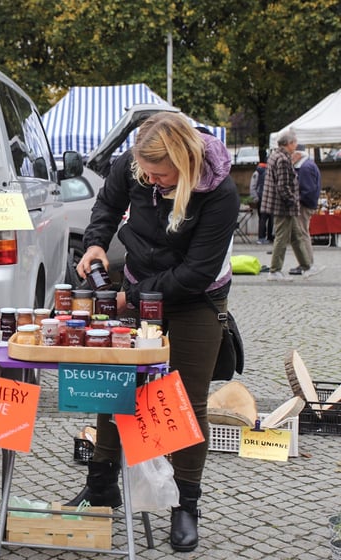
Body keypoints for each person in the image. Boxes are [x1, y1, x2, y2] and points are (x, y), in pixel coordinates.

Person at [69, 113, 238, 553]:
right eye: (144, 173)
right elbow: (107, 206)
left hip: (196, 298)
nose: (150, 180)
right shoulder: (134, 164)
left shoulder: (220, 192)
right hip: (139, 281)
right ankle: (102, 485)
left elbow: (196, 272)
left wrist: (132, 297)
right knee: (115, 385)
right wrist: (95, 242)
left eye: (159, 176)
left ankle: (185, 504)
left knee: (186, 399)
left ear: (184, 163)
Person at [261, 132, 314, 280]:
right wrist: (293, 201)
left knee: (296, 236)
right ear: (289, 144)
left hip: (281, 205)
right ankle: (275, 270)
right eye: (294, 143)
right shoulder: (283, 159)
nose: (296, 146)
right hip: (283, 206)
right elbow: (283, 186)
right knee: (282, 238)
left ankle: (307, 266)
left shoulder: (275, 156)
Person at [289, 148, 321, 275]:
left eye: (292, 154)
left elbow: (308, 190)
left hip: (304, 205)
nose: (291, 157)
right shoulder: (307, 165)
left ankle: (307, 263)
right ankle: (307, 262)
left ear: (298, 154)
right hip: (307, 203)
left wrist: (298, 200)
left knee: (302, 233)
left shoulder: (305, 168)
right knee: (303, 232)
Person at [249, 162, 273, 244]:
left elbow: (252, 186)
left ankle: (261, 237)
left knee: (262, 218)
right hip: (270, 198)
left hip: (261, 198)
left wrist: (255, 198)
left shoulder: (257, 172)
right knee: (271, 218)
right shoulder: (270, 171)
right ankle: (270, 237)